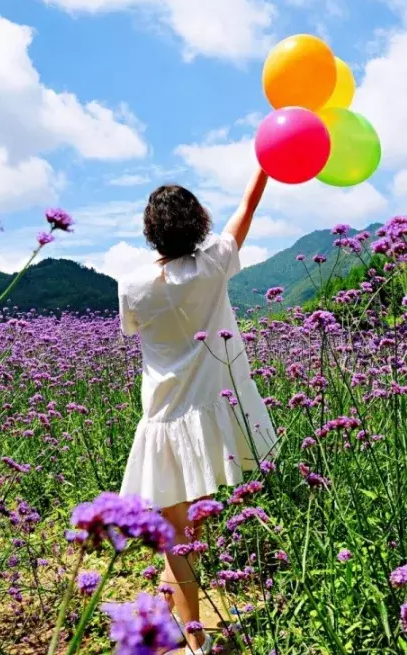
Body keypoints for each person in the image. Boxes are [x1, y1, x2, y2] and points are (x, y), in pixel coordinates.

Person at [117, 169, 278, 655]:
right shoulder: (214, 265)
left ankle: (178, 634)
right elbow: (245, 212)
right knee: (185, 535)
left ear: (151, 231)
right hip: (210, 415)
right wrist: (265, 166)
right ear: (198, 222)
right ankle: (191, 638)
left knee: (180, 535)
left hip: (163, 419)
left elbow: (133, 329)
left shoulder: (133, 285)